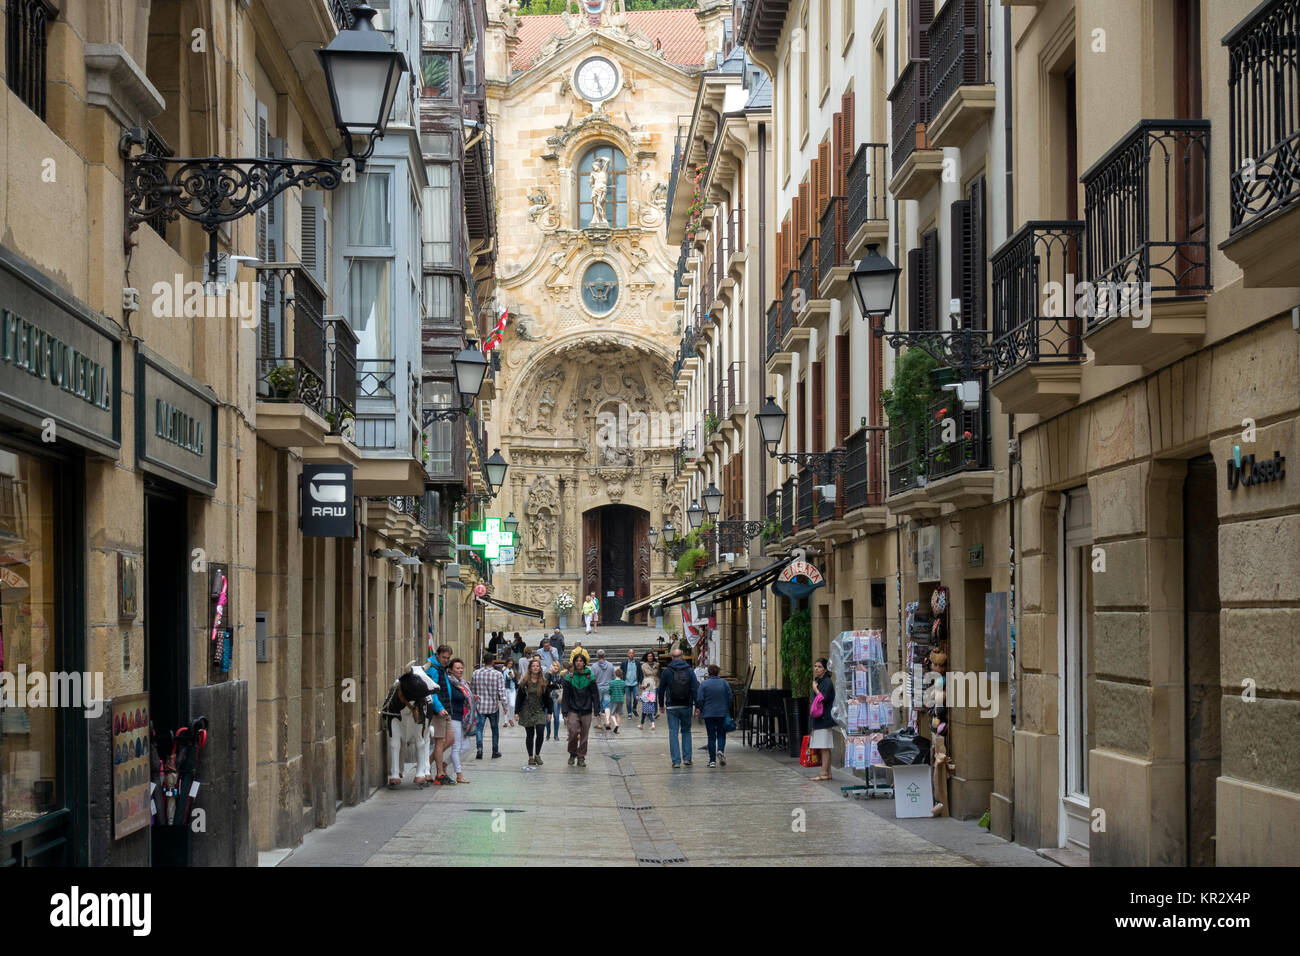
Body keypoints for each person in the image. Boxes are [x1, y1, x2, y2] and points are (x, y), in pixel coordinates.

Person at [658, 647, 700, 768]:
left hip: (672, 706)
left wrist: (661, 705)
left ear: (672, 657)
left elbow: (661, 690)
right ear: (682, 657)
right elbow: (694, 689)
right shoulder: (690, 671)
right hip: (686, 705)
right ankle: (687, 758)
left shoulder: (667, 671)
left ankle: (676, 761)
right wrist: (697, 706)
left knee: (673, 733)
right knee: (686, 731)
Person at [561, 654, 602, 767]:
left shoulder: (590, 677)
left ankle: (581, 757)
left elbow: (595, 695)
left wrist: (597, 709)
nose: (578, 663)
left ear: (584, 663)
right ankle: (572, 753)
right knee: (573, 732)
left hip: (586, 710)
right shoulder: (569, 678)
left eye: (581, 661)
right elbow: (565, 696)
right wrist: (564, 711)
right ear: (574, 663)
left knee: (584, 736)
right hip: (573, 710)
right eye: (577, 661)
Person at [470, 654, 509, 759]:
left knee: (479, 729)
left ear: (483, 661)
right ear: (492, 662)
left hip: (480, 706)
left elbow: (472, 690)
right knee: (495, 729)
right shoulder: (497, 674)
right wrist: (505, 706)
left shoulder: (475, 673)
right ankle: (495, 751)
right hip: (493, 706)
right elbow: (501, 692)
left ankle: (479, 750)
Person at [516, 656, 553, 766]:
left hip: (539, 710)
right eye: (533, 666)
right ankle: (530, 757)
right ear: (530, 668)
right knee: (530, 734)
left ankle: (537, 755)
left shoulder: (543, 682)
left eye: (537, 666)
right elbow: (519, 697)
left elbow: (548, 698)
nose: (536, 668)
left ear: (540, 668)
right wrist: (516, 712)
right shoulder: (525, 682)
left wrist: (550, 712)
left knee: (541, 732)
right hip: (527, 710)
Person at [426, 645, 454, 784]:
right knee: (439, 741)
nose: (446, 660)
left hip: (446, 708)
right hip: (439, 711)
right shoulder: (433, 669)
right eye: (443, 657)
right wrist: (439, 708)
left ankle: (426, 763)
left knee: (450, 739)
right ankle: (440, 774)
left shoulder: (442, 668)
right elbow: (432, 691)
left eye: (448, 658)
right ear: (437, 655)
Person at [696, 664, 733, 768]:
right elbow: (730, 697)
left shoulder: (704, 684)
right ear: (718, 672)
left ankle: (712, 761)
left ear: (708, 672)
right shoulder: (724, 683)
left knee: (711, 736)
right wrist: (727, 708)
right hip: (722, 712)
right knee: (721, 734)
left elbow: (699, 699)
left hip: (709, 713)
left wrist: (701, 708)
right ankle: (720, 750)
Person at [443, 658, 472, 784]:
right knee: (456, 747)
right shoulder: (450, 682)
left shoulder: (461, 682)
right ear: (450, 670)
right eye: (457, 668)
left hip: (463, 717)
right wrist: (466, 696)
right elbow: (457, 696)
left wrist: (471, 697)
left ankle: (444, 763)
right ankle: (459, 775)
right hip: (454, 716)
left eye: (461, 668)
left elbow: (465, 696)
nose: (460, 670)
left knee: (465, 747)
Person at [808, 657, 836, 781]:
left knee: (824, 747)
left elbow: (822, 698)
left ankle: (824, 773)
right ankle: (827, 772)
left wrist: (815, 688)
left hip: (824, 718)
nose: (816, 668)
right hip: (819, 719)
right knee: (823, 746)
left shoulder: (827, 682)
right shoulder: (819, 680)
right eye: (815, 666)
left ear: (825, 669)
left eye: (819, 666)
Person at [590, 649, 615, 729]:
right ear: (604, 655)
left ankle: (599, 724)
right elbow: (613, 677)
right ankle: (607, 721)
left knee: (597, 706)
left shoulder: (594, 666)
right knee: (607, 705)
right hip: (608, 688)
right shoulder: (610, 665)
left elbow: (592, 679)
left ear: (597, 656)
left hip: (598, 689)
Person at [639, 651, 659, 730]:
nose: (650, 657)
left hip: (655, 683)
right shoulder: (643, 665)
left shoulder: (657, 665)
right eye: (648, 656)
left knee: (654, 699)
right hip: (647, 683)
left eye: (651, 656)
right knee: (647, 699)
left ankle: (654, 712)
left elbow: (659, 674)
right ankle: (649, 712)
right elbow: (642, 675)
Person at [623, 648, 643, 718]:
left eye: (632, 653)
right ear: (628, 654)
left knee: (636, 698)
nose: (631, 654)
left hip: (635, 684)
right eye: (630, 653)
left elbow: (640, 673)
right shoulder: (624, 663)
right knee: (628, 700)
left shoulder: (637, 663)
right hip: (627, 684)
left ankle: (634, 708)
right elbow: (621, 672)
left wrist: (640, 682)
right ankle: (629, 713)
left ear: (634, 654)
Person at [548, 661, 564, 740]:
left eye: (556, 666)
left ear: (559, 667)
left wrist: (553, 684)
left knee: (556, 716)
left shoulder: (560, 676)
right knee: (547, 717)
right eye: (553, 665)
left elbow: (560, 685)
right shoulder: (548, 675)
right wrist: (554, 684)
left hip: (557, 698)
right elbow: (548, 684)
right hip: (549, 698)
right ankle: (548, 733)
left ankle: (556, 734)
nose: (555, 667)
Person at [608, 667, 626, 734]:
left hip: (613, 699)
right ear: (621, 675)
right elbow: (624, 691)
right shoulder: (623, 683)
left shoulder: (612, 683)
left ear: (615, 674)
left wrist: (611, 694)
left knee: (612, 714)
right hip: (621, 699)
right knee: (618, 714)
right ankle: (617, 729)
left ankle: (616, 724)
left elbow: (609, 691)